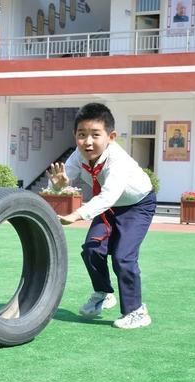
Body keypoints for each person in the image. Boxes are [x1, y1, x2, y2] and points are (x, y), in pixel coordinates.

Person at [47, 103, 156, 329]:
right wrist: (58, 186)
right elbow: (62, 180)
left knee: (123, 256)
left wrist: (77, 215)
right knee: (91, 249)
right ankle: (104, 293)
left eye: (95, 135)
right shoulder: (78, 155)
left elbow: (108, 196)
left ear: (111, 136)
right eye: (81, 135)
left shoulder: (118, 161)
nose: (87, 141)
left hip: (136, 205)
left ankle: (136, 311)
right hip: (108, 206)